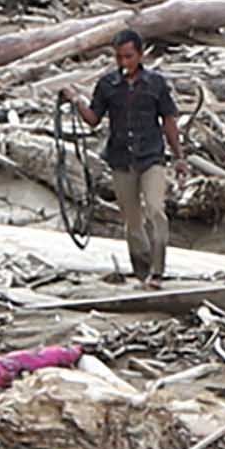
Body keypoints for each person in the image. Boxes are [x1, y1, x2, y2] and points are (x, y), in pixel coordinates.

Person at [85, 28, 184, 283]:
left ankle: (158, 271)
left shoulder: (156, 84)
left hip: (151, 156)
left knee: (155, 209)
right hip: (121, 159)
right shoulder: (107, 85)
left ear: (140, 55)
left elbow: (169, 121)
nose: (123, 63)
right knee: (132, 219)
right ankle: (142, 272)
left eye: (128, 57)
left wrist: (179, 156)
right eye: (119, 57)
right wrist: (75, 100)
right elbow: (93, 120)